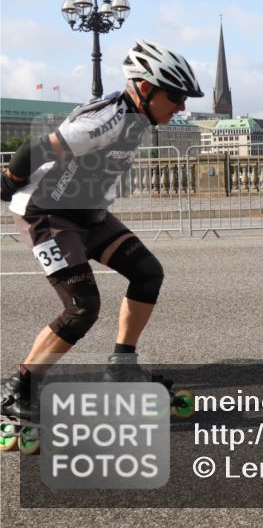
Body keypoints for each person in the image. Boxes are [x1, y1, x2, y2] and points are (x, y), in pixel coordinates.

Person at [0, 40, 204, 428]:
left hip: (87, 214)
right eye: (176, 96)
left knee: (147, 272)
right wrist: (8, 182)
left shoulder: (138, 117)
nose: (181, 107)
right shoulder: (105, 120)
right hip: (47, 214)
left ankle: (122, 366)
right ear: (147, 88)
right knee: (82, 308)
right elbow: (33, 149)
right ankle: (19, 388)